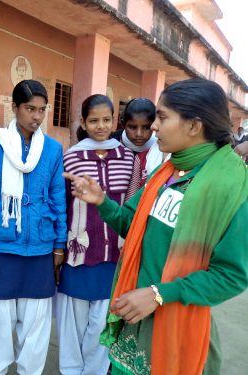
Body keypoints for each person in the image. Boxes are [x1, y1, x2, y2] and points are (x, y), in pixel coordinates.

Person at [65, 78, 248, 375]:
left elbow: (231, 276)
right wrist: (103, 203)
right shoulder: (167, 173)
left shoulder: (232, 186)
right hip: (136, 322)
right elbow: (135, 228)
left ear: (193, 125)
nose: (153, 127)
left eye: (162, 117)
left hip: (177, 327)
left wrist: (159, 294)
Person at [0, 79, 67, 375]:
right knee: (0, 317)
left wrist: (59, 244)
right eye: (30, 109)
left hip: (41, 241)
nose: (37, 117)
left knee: (37, 320)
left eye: (42, 110)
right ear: (14, 108)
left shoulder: (52, 149)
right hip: (4, 240)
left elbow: (57, 198)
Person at [56, 94, 134, 375]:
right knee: (71, 320)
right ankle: (70, 369)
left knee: (102, 320)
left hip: (115, 251)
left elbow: (132, 202)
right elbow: (61, 202)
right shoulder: (71, 156)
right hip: (79, 250)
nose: (100, 126)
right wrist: (58, 246)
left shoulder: (128, 158)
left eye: (106, 120)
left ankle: (94, 371)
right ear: (84, 122)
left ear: (114, 121)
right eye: (93, 120)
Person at [112, 98, 164, 199]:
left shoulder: (160, 148)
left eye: (146, 127)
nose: (139, 134)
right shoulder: (112, 143)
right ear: (123, 124)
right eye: (132, 127)